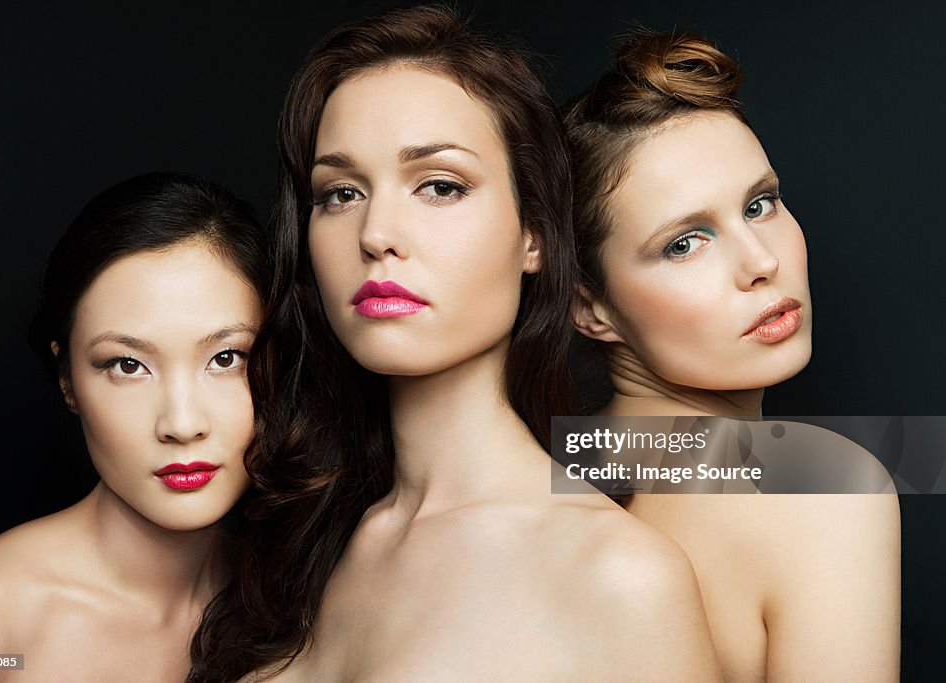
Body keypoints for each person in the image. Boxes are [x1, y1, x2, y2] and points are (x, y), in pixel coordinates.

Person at [189, 6, 720, 682]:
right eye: (341, 192)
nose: (377, 232)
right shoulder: (305, 534)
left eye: (439, 185)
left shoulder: (616, 574)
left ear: (534, 234)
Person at [564, 31, 900, 681]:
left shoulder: (539, 465)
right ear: (589, 306)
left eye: (760, 203)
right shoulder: (824, 486)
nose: (761, 262)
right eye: (684, 243)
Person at [0, 172, 269, 682]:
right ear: (68, 379)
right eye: (127, 365)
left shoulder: (300, 600)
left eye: (226, 358)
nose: (182, 424)